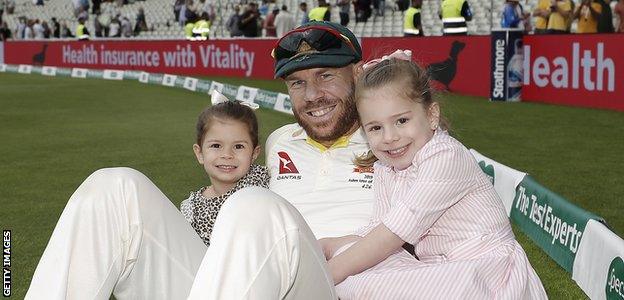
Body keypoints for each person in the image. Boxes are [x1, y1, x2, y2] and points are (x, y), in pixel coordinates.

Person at [318, 54, 547, 299]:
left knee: (353, 282)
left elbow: (392, 234)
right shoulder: (385, 169)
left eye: (401, 121)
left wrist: (323, 275)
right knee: (352, 269)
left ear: (431, 116)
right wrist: (330, 244)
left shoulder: (445, 156)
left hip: (488, 273)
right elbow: (378, 230)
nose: (389, 137)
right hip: (441, 270)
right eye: (375, 127)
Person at [180, 100, 269, 247]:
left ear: (254, 153)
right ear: (199, 153)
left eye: (238, 146)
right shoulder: (191, 208)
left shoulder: (263, 181)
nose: (227, 154)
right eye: (216, 145)